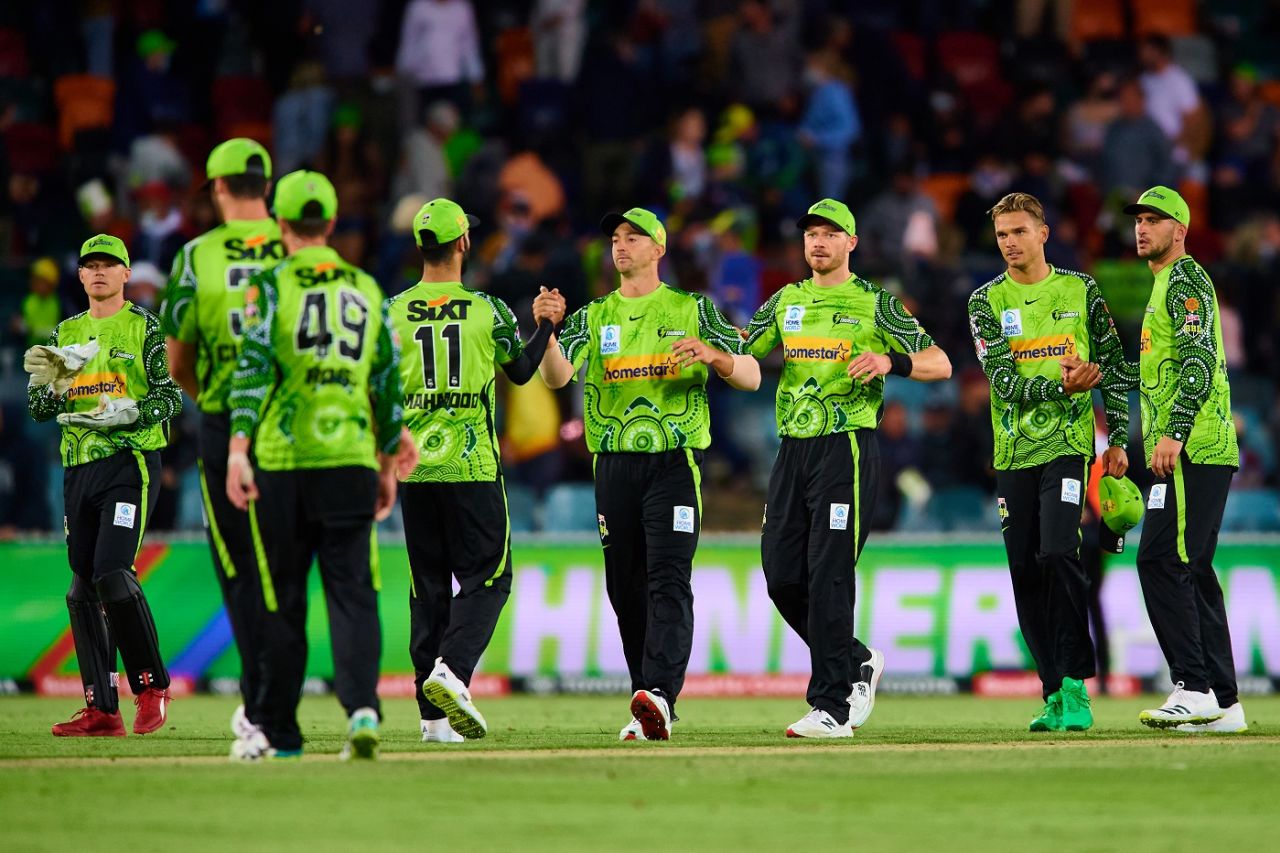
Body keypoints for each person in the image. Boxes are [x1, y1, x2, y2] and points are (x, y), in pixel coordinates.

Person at [537, 207, 761, 741]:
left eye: (633, 237)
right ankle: (647, 701)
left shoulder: (692, 309)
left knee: (667, 577)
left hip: (673, 460)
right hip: (612, 463)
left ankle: (659, 691)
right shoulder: (594, 316)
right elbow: (555, 377)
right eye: (615, 237)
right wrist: (547, 331)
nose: (621, 246)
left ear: (658, 249)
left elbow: (751, 374)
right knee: (625, 588)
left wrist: (714, 356)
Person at [742, 199, 951, 738]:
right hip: (793, 451)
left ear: (851, 243)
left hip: (847, 447)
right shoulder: (786, 301)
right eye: (811, 233)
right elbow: (744, 352)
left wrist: (891, 361)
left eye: (830, 233)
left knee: (829, 574)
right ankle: (857, 659)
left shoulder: (876, 304)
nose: (818, 242)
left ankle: (832, 706)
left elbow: (940, 362)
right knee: (782, 577)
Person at [224, 171, 414, 760]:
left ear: (280, 224)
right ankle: (362, 708)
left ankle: (282, 735)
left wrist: (237, 448)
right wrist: (387, 460)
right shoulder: (366, 287)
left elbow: (253, 370)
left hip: (283, 463)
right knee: (353, 590)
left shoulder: (269, 285)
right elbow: (385, 380)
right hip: (351, 459)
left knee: (283, 598)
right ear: (331, 224)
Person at [386, 198, 557, 742]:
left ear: (421, 247)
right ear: (462, 243)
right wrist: (547, 325)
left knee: (427, 589)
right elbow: (525, 372)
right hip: (472, 465)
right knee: (490, 577)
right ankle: (452, 671)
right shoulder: (488, 310)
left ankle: (432, 721)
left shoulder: (390, 311)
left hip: (413, 468)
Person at [966, 192, 1134, 732]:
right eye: (1001, 235)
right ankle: (1051, 690)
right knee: (1024, 570)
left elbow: (1115, 368)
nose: (1010, 243)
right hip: (1012, 454)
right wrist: (1064, 382)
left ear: (1044, 233)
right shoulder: (984, 301)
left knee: (1062, 552)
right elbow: (1003, 382)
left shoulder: (1079, 289)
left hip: (1068, 449)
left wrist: (1119, 440)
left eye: (1019, 231)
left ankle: (1075, 686)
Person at [26, 234, 181, 736]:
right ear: (79, 276)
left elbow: (171, 397)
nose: (98, 272)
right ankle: (102, 709)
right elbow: (42, 411)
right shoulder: (66, 332)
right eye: (90, 265)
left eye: (107, 265)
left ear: (125, 273)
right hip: (78, 466)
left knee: (112, 572)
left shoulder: (144, 328)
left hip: (128, 463)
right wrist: (45, 386)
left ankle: (152, 687)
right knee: (80, 588)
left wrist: (132, 413)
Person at [159, 138, 284, 746]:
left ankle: (259, 700)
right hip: (293, 422)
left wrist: (214, 401)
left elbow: (176, 357)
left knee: (239, 568)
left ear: (217, 188)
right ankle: (280, 700)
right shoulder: (298, 248)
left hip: (222, 416)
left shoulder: (193, 258)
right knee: (287, 563)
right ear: (267, 183)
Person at [1120, 186, 1245, 732]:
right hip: (1190, 449)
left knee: (1162, 561)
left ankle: (1192, 685)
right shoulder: (1165, 285)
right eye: (1139, 220)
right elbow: (1158, 370)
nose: (1142, 228)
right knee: (1190, 567)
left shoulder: (1186, 278)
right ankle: (1224, 701)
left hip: (1193, 448)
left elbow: (1196, 360)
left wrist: (1172, 431)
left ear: (1181, 230)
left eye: (1155, 220)